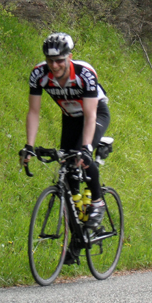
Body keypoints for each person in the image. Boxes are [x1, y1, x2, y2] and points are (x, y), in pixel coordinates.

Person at [20, 32, 111, 262]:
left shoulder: (84, 74)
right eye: (50, 60)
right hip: (70, 118)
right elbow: (34, 112)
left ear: (69, 56)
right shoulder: (39, 74)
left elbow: (90, 117)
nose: (54, 65)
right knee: (69, 177)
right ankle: (78, 239)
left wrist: (86, 148)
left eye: (60, 60)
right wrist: (29, 145)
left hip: (94, 113)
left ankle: (98, 201)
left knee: (83, 157)